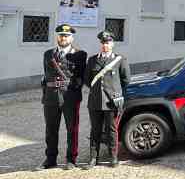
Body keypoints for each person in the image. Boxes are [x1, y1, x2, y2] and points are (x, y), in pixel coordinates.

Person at [38, 24, 87, 170]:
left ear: (72, 38)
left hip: (69, 97)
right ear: (57, 37)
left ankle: (71, 159)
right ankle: (50, 159)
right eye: (61, 35)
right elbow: (46, 75)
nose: (63, 38)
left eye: (66, 36)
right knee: (51, 129)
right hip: (51, 97)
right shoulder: (48, 54)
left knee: (72, 129)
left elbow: (81, 77)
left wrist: (74, 90)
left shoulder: (80, 54)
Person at [84, 31, 130, 168]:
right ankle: (93, 158)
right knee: (95, 130)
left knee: (112, 130)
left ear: (113, 43)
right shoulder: (92, 60)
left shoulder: (120, 60)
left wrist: (115, 92)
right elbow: (87, 80)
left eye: (108, 42)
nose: (105, 45)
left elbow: (126, 80)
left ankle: (113, 157)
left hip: (112, 102)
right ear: (100, 44)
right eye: (103, 43)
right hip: (95, 101)